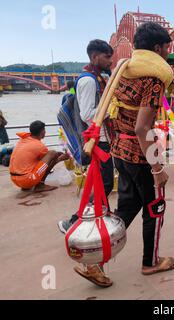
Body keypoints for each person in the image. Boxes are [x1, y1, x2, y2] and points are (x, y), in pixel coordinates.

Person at [107, 22, 174, 281]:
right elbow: (142, 127)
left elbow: (111, 115)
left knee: (127, 207)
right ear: (158, 48)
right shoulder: (153, 78)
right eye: (168, 48)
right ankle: (151, 262)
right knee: (154, 208)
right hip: (141, 155)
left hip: (120, 151)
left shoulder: (124, 71)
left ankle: (97, 257)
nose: (168, 54)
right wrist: (157, 168)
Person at [58, 40, 115, 233]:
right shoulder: (89, 81)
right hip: (98, 143)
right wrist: (112, 106)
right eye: (107, 57)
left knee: (102, 182)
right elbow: (88, 115)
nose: (110, 61)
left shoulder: (96, 77)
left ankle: (102, 215)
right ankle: (74, 222)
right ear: (94, 57)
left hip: (102, 140)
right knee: (105, 183)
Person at [9, 121, 69, 192]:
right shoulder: (39, 145)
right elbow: (48, 162)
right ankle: (40, 185)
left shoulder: (23, 140)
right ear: (42, 132)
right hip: (26, 180)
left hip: (14, 179)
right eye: (44, 130)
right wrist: (59, 159)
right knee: (52, 153)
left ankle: (26, 185)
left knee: (50, 155)